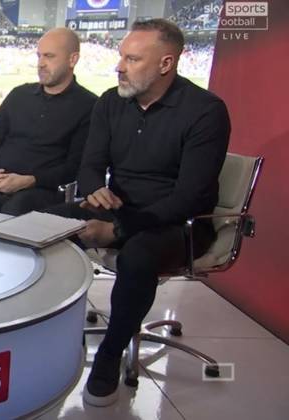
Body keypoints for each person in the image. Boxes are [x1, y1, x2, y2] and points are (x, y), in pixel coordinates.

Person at [46, 19, 230, 406]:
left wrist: (117, 230)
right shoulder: (110, 102)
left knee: (138, 255)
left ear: (166, 64)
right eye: (121, 57)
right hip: (119, 208)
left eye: (132, 59)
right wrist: (95, 189)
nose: (119, 67)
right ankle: (55, 337)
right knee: (43, 227)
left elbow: (189, 198)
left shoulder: (206, 112)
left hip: (180, 223)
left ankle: (109, 356)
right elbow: (90, 164)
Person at [0, 28, 97, 215]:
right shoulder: (19, 95)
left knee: (13, 216)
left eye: (49, 56)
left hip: (39, 191)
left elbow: (74, 166)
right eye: (39, 56)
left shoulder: (88, 105)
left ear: (72, 59)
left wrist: (30, 180)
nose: (41, 63)